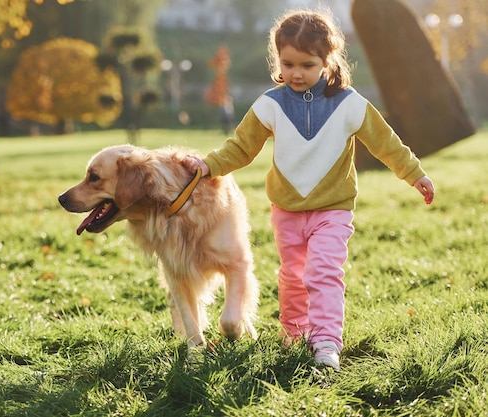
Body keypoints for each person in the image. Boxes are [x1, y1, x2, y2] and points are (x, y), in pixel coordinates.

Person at [183, 8, 435, 370]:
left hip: (333, 210)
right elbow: (240, 147)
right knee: (292, 276)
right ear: (278, 59)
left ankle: (326, 343)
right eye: (288, 64)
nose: (296, 73)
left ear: (327, 61)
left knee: (323, 273)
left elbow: (386, 143)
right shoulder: (270, 105)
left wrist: (415, 174)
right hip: (286, 211)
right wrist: (209, 165)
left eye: (307, 64)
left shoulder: (349, 104)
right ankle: (294, 334)